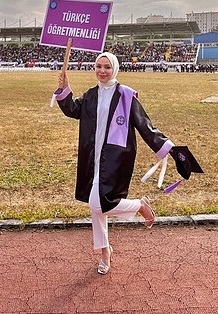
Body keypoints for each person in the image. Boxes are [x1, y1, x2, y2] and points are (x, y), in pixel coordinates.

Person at [55, 51, 175, 275]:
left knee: (99, 204)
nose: (102, 71)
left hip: (115, 157)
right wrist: (64, 88)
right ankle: (105, 252)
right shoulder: (91, 95)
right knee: (96, 206)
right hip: (93, 157)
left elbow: (144, 125)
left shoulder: (126, 95)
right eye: (98, 66)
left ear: (115, 69)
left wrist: (166, 147)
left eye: (107, 67)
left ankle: (139, 206)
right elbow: (73, 109)